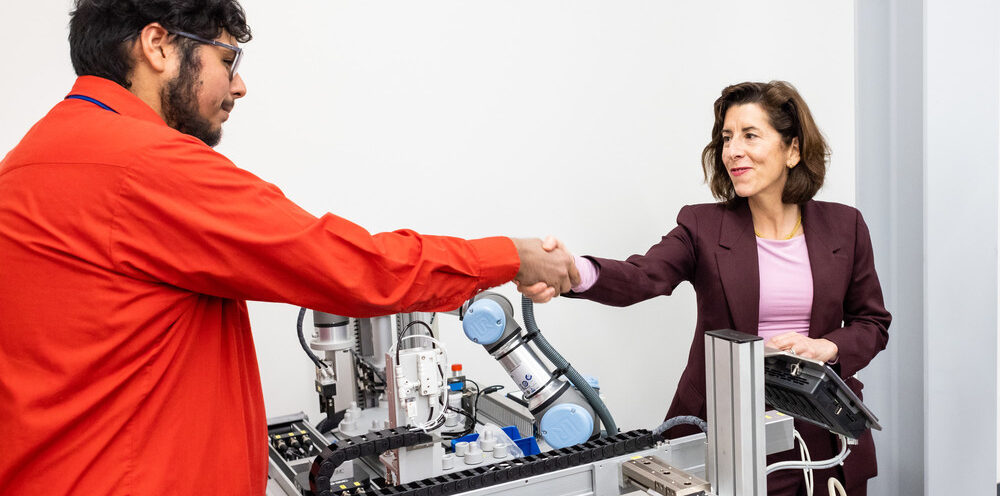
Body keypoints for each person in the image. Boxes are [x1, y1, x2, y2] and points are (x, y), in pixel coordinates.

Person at [0, 1, 578, 494]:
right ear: (158, 46)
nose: (240, 85)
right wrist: (511, 255)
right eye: (227, 61)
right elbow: (351, 267)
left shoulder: (28, 162)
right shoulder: (143, 167)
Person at [519, 81, 890, 495]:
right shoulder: (702, 225)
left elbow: (872, 323)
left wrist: (828, 347)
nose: (733, 150)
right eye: (727, 138)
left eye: (750, 135)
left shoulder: (845, 226)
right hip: (724, 428)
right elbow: (644, 276)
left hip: (820, 428)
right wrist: (576, 271)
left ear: (793, 150)